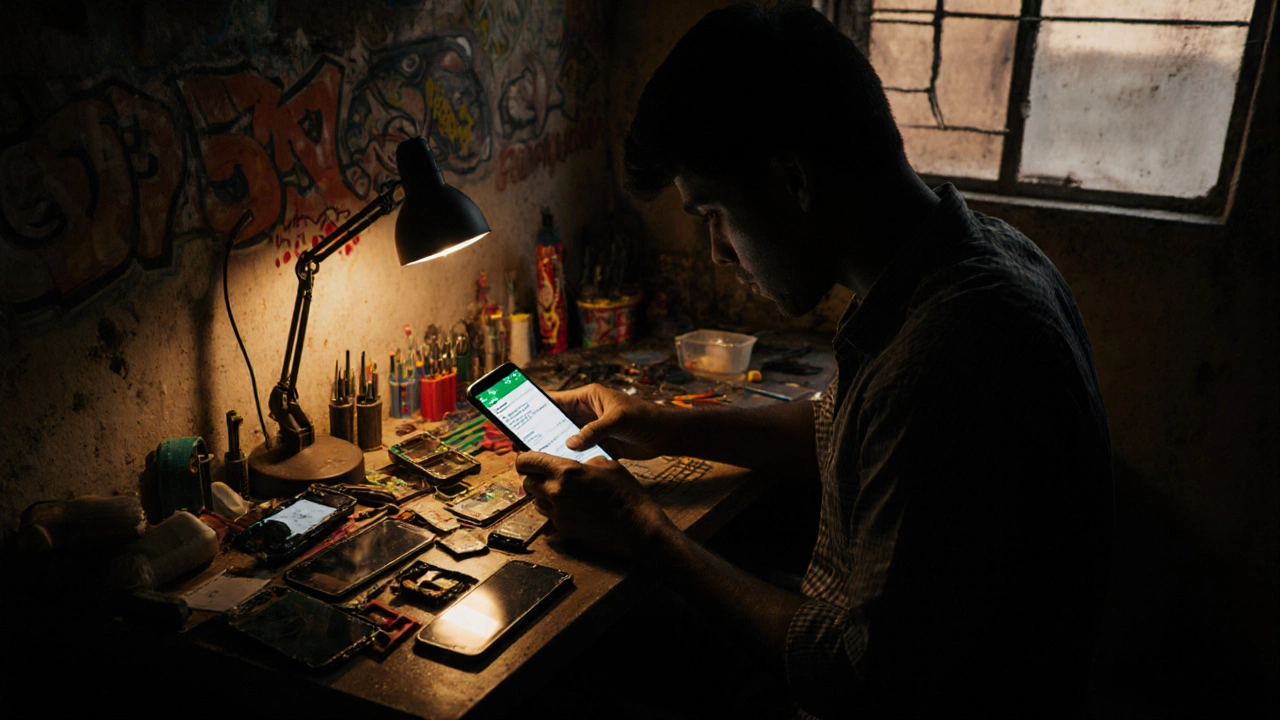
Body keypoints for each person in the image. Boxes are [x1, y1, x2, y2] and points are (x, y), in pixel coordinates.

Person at [516, 4, 1112, 718]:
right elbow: (847, 432)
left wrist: (644, 531)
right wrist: (666, 425)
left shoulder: (947, 352)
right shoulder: (967, 259)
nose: (717, 251)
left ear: (792, 182)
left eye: (713, 215)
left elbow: (860, 677)